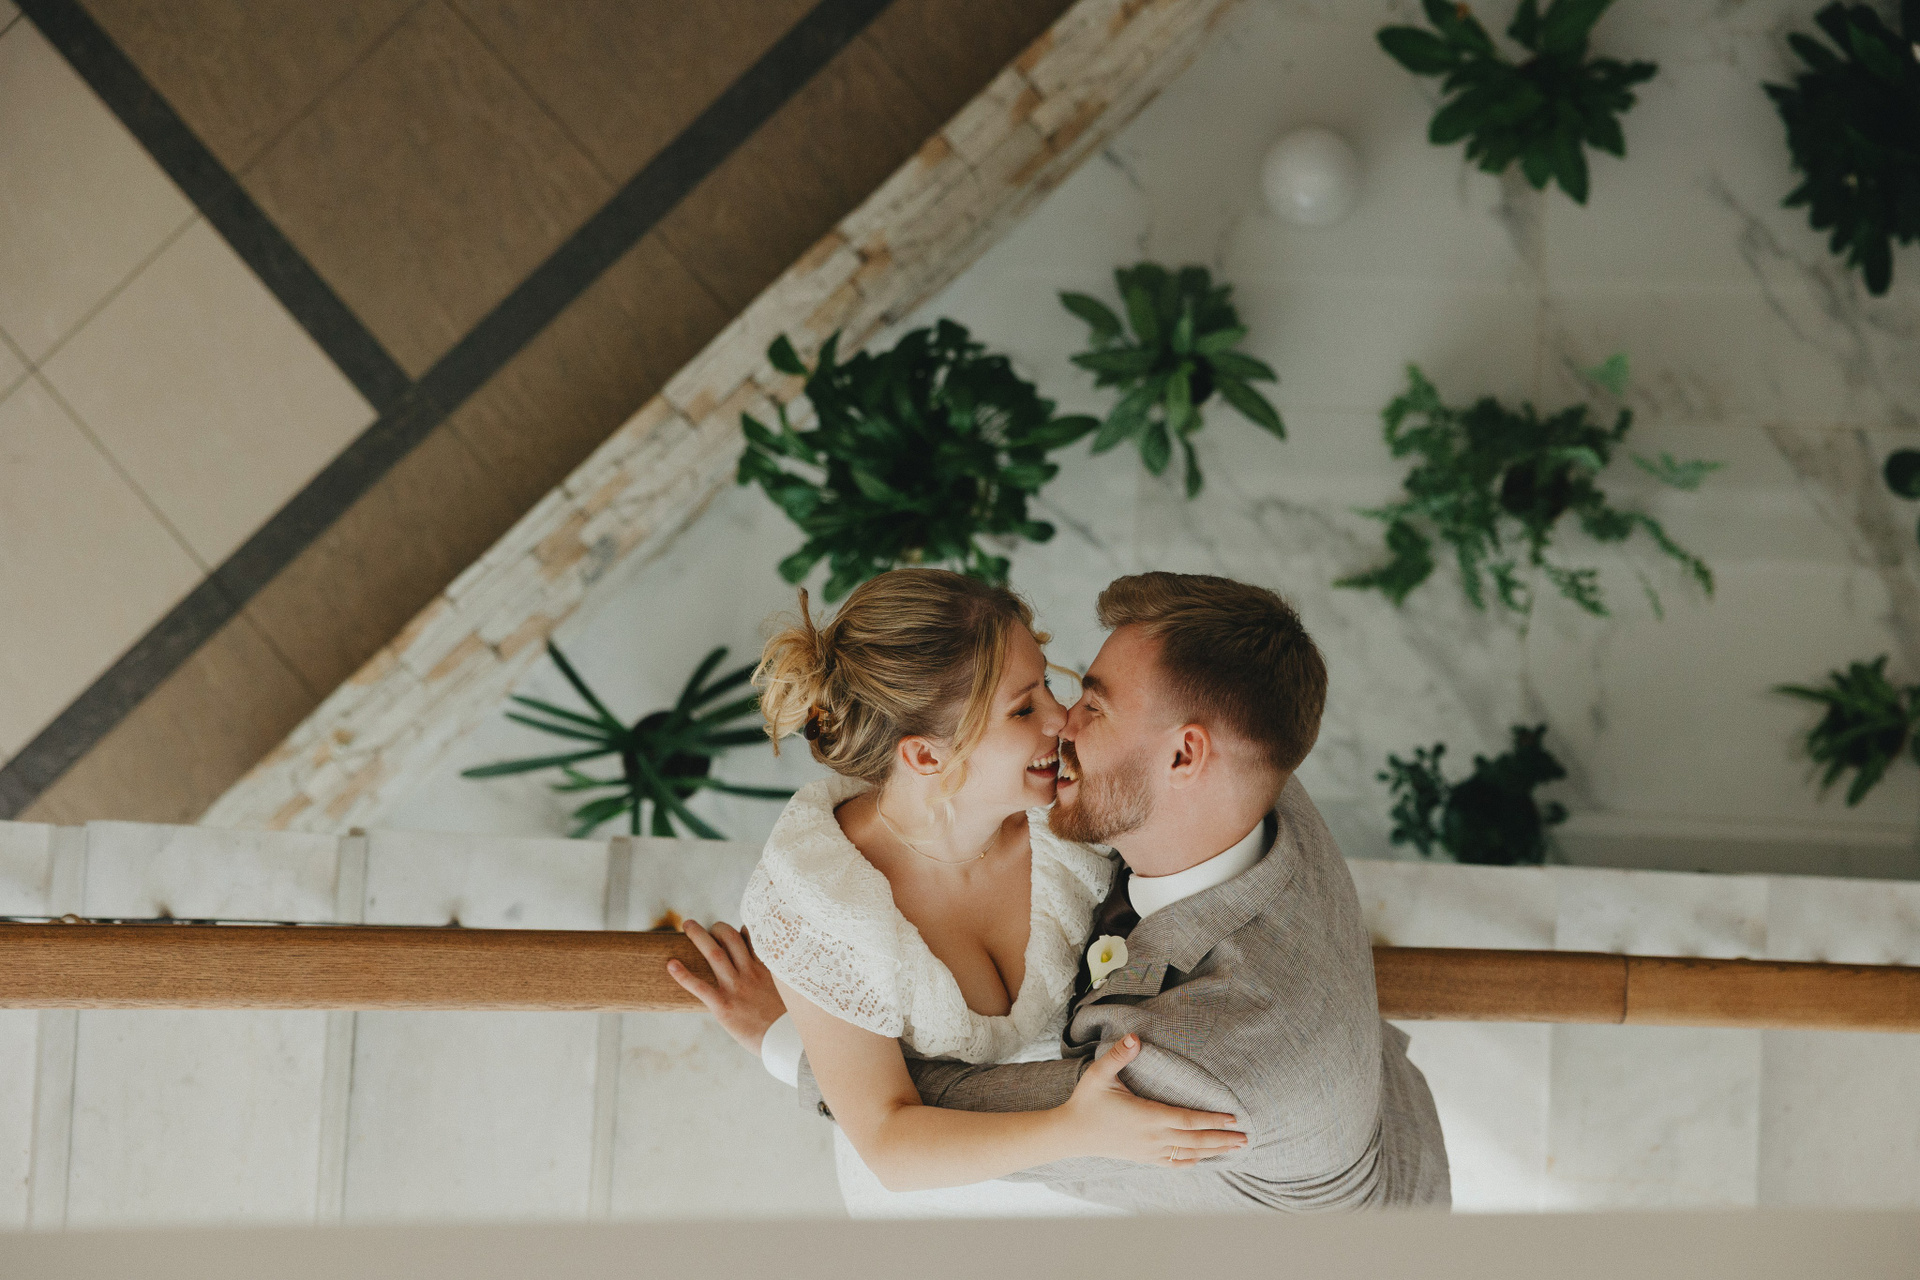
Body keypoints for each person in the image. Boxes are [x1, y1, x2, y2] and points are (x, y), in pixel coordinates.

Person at [677, 570, 1452, 1214]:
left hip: (1183, 1193)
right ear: (924, 755)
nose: (1063, 720)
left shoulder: (1190, 1051)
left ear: (1186, 757)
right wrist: (824, 998)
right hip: (1380, 1139)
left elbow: (903, 1130)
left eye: (1074, 697)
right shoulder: (1251, 777)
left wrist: (792, 1041)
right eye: (1030, 703)